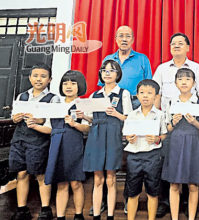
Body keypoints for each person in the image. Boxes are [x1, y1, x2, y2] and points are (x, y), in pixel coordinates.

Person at [152, 32, 199, 217]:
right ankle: (166, 203)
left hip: (192, 128)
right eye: (173, 43)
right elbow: (157, 95)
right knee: (169, 168)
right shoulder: (162, 68)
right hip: (171, 125)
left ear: (187, 47)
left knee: (190, 172)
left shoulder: (196, 68)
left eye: (180, 43)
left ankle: (187, 204)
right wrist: (161, 120)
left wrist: (196, 113)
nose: (176, 46)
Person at [9, 63, 60, 220]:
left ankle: (45, 209)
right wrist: (15, 118)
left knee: (40, 174)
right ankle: (21, 209)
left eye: (43, 76)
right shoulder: (21, 96)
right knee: (21, 173)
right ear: (30, 78)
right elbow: (14, 115)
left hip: (39, 141)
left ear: (50, 79)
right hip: (19, 139)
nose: (39, 79)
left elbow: (52, 126)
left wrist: (39, 121)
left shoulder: (53, 99)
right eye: (36, 76)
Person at [83, 60, 132, 220]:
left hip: (113, 135)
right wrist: (83, 116)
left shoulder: (123, 93)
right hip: (96, 136)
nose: (107, 73)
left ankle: (110, 215)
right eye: (104, 70)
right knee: (98, 177)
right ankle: (96, 214)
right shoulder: (94, 95)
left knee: (111, 177)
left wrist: (116, 114)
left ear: (118, 74)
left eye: (111, 70)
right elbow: (91, 119)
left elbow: (129, 118)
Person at [44, 70, 89, 220]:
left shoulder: (83, 104)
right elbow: (49, 127)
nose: (68, 86)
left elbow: (88, 128)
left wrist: (74, 124)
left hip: (74, 144)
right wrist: (32, 125)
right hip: (56, 143)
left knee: (76, 182)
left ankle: (78, 215)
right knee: (61, 183)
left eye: (73, 83)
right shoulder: (55, 103)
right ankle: (61, 216)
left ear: (80, 86)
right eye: (65, 83)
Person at [161, 68, 199, 220]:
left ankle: (191, 217)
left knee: (193, 184)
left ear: (193, 82)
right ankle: (174, 217)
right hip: (175, 143)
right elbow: (167, 128)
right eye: (180, 79)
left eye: (188, 79)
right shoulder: (171, 102)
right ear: (175, 83)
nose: (184, 82)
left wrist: (194, 122)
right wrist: (173, 122)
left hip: (193, 143)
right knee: (174, 183)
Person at [124, 79, 167, 220]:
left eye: (150, 93)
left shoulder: (160, 115)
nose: (145, 96)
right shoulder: (131, 114)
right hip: (134, 156)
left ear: (156, 96)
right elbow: (126, 134)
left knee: (153, 192)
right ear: (137, 95)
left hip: (152, 156)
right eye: (142, 93)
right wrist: (129, 138)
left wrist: (157, 139)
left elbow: (164, 134)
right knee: (132, 192)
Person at [101, 25, 152, 109]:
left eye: (128, 36)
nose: (124, 39)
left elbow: (149, 84)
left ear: (132, 40)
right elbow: (102, 82)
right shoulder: (108, 59)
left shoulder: (142, 59)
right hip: (111, 102)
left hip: (135, 103)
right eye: (121, 36)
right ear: (116, 39)